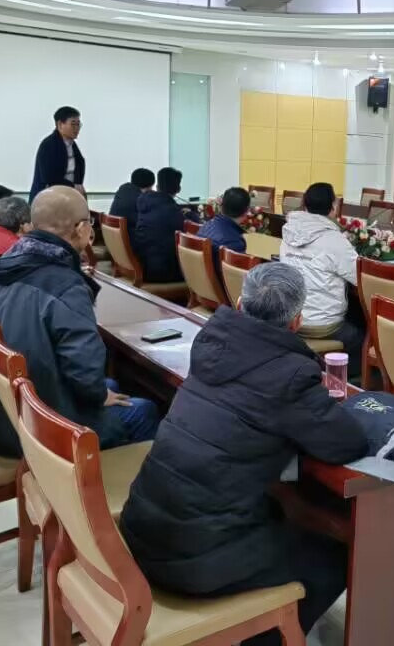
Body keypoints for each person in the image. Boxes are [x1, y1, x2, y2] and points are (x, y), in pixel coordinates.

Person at [119, 262, 367, 646]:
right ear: (297, 321)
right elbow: (346, 443)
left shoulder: (209, 342)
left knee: (281, 511)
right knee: (333, 558)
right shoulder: (292, 374)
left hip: (143, 529)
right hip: (192, 560)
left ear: (239, 304)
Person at [0, 186, 160, 458]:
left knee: (110, 387)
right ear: (81, 229)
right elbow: (84, 368)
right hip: (42, 428)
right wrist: (96, 395)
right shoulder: (65, 285)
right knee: (144, 410)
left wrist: (97, 392)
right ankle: (108, 483)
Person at [280, 182, 363, 370]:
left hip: (292, 316)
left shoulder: (288, 232)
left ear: (304, 204)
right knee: (362, 334)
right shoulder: (334, 240)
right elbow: (361, 279)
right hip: (323, 325)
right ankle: (345, 380)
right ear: (334, 207)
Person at [133, 167, 199, 283]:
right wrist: (191, 214)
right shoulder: (171, 210)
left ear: (157, 186)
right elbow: (195, 228)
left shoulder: (144, 201)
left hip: (144, 264)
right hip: (162, 272)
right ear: (178, 189)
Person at [29, 106, 85, 202]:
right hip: (47, 199)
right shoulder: (48, 145)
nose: (77, 128)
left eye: (78, 124)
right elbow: (49, 177)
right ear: (60, 124)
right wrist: (73, 186)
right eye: (73, 124)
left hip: (68, 196)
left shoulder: (72, 145)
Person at [197, 186, 250, 276]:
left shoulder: (206, 226)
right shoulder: (233, 243)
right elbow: (241, 277)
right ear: (246, 211)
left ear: (221, 207)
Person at [108, 168, 155, 233]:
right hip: (130, 237)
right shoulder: (141, 200)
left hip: (113, 235)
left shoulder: (123, 189)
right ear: (149, 186)